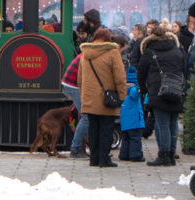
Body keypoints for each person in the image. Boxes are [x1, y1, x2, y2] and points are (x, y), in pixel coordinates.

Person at [75, 27, 126, 168]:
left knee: (93, 128)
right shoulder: (112, 53)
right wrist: (122, 95)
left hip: (89, 98)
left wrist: (83, 95)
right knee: (106, 129)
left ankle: (94, 158)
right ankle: (104, 159)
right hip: (106, 99)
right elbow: (120, 77)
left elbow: (80, 78)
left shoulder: (85, 53)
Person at [137, 23, 186, 166]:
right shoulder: (177, 50)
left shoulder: (149, 52)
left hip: (158, 91)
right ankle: (171, 155)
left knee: (162, 123)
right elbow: (184, 69)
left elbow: (141, 73)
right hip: (176, 89)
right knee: (173, 123)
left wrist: (144, 89)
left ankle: (163, 155)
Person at [61, 51, 88, 158]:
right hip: (73, 85)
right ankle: (75, 148)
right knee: (86, 116)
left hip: (71, 84)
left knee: (85, 116)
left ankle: (85, 147)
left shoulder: (88, 53)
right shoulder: (89, 55)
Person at [118, 66, 144, 162]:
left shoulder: (123, 90)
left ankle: (124, 154)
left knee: (125, 138)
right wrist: (139, 88)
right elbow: (135, 94)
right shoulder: (134, 89)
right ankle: (136, 155)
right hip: (134, 120)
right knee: (135, 138)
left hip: (124, 120)